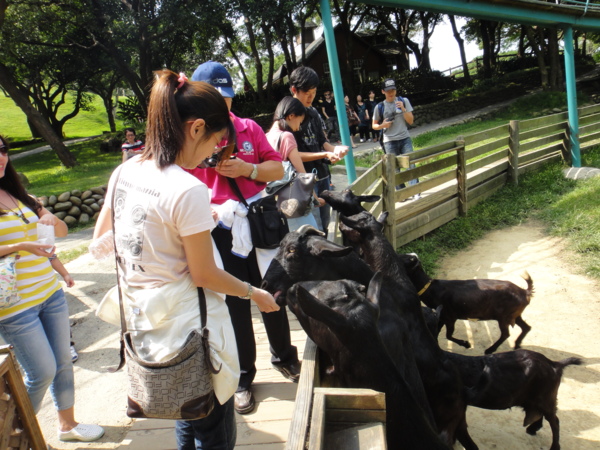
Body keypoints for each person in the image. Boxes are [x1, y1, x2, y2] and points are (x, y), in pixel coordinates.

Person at [94, 70, 280, 449]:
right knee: (213, 429)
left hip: (148, 329)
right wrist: (254, 293)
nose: (212, 153)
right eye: (214, 142)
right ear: (195, 129)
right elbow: (205, 274)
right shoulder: (187, 188)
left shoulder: (125, 171)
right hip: (191, 335)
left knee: (186, 411)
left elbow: (103, 240)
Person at [186, 61, 301, 416]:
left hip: (259, 225)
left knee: (272, 292)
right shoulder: (190, 138)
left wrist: (248, 169)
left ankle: (285, 357)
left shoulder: (248, 128)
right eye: (215, 97)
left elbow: (277, 168)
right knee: (235, 305)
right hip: (220, 230)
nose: (224, 104)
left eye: (227, 96)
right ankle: (243, 378)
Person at [0, 134, 104, 442]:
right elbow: (22, 245)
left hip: (50, 293)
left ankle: (67, 426)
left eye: (2, 150)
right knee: (42, 371)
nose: (1, 157)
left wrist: (48, 217)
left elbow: (63, 231)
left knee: (63, 364)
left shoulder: (19, 195)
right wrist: (19, 246)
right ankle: (15, 439)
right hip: (15, 305)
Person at [289, 66, 348, 237]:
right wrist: (325, 154)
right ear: (294, 90)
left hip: (322, 175)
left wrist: (334, 150)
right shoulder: (288, 116)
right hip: (303, 180)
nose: (311, 97)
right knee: (315, 229)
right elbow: (292, 155)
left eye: (314, 92)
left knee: (328, 223)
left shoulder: (314, 112)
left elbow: (322, 141)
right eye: (307, 93)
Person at [266, 97, 325, 231]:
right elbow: (302, 173)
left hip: (276, 204)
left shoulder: (265, 137)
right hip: (294, 201)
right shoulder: (286, 136)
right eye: (299, 121)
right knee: (310, 236)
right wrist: (315, 198)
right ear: (291, 116)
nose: (298, 127)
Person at [372, 78, 419, 193]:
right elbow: (374, 125)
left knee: (410, 164)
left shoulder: (404, 101)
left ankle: (414, 191)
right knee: (394, 168)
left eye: (393, 90)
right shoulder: (379, 107)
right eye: (388, 91)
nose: (391, 93)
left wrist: (403, 109)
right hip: (389, 141)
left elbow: (411, 121)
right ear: (383, 91)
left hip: (404, 138)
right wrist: (383, 125)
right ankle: (401, 193)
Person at [48, 254, 79, 363]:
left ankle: (67, 346)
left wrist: (65, 274)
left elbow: (51, 256)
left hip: (50, 290)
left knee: (59, 324)